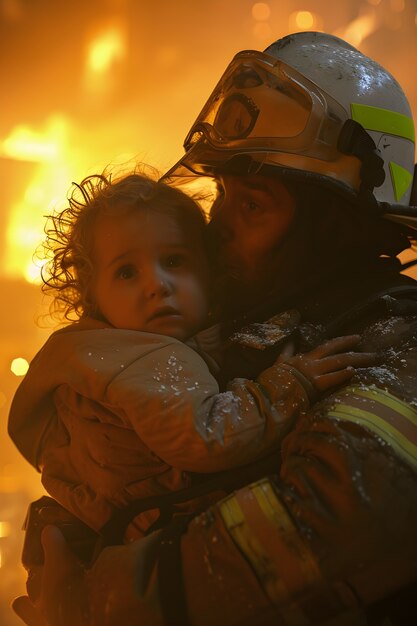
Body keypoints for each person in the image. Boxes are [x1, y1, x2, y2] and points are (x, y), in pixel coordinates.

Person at [11, 31, 417, 626]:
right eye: (222, 193)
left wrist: (103, 598)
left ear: (332, 225)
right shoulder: (241, 318)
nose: (216, 223)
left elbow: (332, 516)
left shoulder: (394, 342)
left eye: (252, 205)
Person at [9, 168, 367, 547]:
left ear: (209, 269)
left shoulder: (108, 353)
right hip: (162, 536)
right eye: (127, 272)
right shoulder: (139, 359)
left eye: (175, 261)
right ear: (93, 296)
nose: (157, 285)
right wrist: (290, 384)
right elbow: (208, 437)